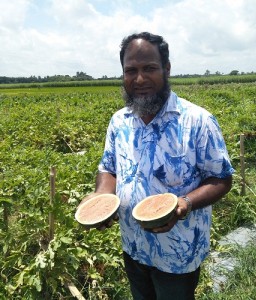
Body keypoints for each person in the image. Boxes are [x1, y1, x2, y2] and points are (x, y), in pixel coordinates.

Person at [80, 31, 234, 300]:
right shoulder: (119, 121)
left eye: (149, 68)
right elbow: (109, 168)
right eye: (131, 70)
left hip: (178, 251)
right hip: (133, 245)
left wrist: (184, 203)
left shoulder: (198, 121)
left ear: (166, 69)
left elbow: (221, 179)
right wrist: (102, 195)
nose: (139, 79)